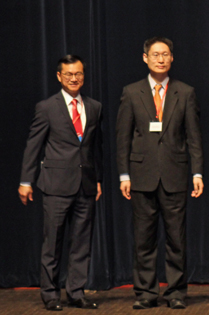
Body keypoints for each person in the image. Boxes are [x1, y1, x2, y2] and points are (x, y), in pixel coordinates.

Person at [115, 37, 203, 310]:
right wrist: (124, 176)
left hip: (175, 175)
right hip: (141, 176)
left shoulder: (185, 92)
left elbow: (194, 137)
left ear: (172, 58)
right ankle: (145, 293)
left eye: (165, 54)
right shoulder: (131, 92)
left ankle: (176, 292)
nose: (161, 59)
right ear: (145, 58)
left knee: (177, 239)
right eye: (155, 55)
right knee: (144, 239)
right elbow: (123, 137)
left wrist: (197, 173)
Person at [18, 55, 102, 311]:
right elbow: (34, 145)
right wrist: (25, 180)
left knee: (81, 243)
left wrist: (97, 178)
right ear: (59, 76)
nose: (74, 78)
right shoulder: (46, 107)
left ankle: (76, 292)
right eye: (69, 74)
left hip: (85, 185)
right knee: (52, 242)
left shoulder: (94, 106)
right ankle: (51, 294)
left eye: (78, 74)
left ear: (84, 75)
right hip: (55, 185)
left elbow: (96, 148)